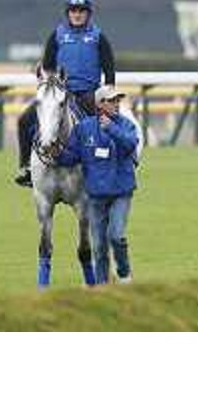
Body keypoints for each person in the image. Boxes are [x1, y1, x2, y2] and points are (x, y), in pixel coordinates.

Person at [15, 0, 116, 187]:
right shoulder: (57, 35)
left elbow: (109, 67)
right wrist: (44, 74)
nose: (77, 14)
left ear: (88, 13)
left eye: (81, 10)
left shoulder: (98, 37)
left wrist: (108, 93)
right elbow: (47, 66)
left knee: (104, 127)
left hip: (88, 94)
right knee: (24, 120)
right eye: (73, 10)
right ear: (67, 13)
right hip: (61, 93)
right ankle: (27, 167)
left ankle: (105, 168)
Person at [56, 85, 139, 284]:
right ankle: (102, 288)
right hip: (95, 196)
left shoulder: (126, 125)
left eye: (118, 100)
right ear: (100, 104)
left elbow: (130, 144)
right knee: (99, 247)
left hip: (121, 192)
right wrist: (55, 153)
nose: (117, 104)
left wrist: (110, 128)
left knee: (116, 236)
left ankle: (124, 272)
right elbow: (71, 157)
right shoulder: (84, 128)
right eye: (112, 101)